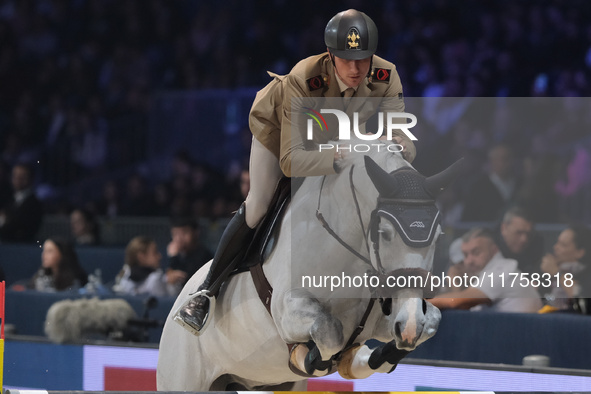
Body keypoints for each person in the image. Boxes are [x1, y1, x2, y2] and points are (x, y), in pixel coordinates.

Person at [176, 9, 417, 334]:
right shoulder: (305, 77)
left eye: (364, 58)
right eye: (347, 59)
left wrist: (399, 144)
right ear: (330, 55)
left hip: (341, 136)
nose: (357, 68)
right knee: (260, 203)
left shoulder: (386, 75)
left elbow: (405, 140)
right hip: (279, 133)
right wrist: (336, 157)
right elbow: (291, 160)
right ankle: (206, 292)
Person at [429, 228, 542, 313]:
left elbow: (458, 302)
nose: (469, 261)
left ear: (494, 250)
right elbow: (465, 311)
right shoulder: (494, 271)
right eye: (465, 255)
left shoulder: (500, 270)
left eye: (476, 252)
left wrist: (417, 304)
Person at [461, 144, 519, 222]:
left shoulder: (520, 185)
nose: (508, 163)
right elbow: (468, 217)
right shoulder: (478, 187)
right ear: (493, 161)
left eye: (510, 159)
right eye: (504, 159)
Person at [540, 224, 591, 310]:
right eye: (557, 242)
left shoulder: (587, 275)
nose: (555, 247)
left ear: (579, 252)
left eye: (563, 245)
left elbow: (582, 303)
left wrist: (558, 273)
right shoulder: (547, 272)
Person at [165, 217, 213, 295]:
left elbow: (187, 281)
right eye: (175, 234)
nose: (179, 238)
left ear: (196, 232)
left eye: (184, 233)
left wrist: (173, 258)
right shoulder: (178, 254)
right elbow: (170, 277)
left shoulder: (203, 255)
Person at [0, 163, 44, 243]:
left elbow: (24, 228)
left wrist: (6, 222)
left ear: (31, 179)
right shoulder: (8, 198)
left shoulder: (34, 204)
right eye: (15, 176)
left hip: (22, 246)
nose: (18, 179)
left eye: (22, 177)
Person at [494, 206, 545, 276]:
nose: (524, 239)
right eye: (518, 233)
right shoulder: (489, 245)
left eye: (528, 234)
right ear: (504, 228)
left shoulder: (536, 245)